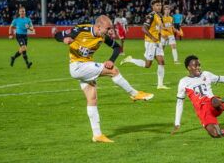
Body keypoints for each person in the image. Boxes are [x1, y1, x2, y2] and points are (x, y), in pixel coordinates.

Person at [54, 15, 154, 143]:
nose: (110, 31)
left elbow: (118, 48)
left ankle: (97, 135)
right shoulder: (80, 30)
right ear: (98, 26)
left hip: (86, 66)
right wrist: (64, 39)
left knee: (92, 98)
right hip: (77, 66)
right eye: (108, 28)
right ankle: (134, 94)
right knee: (114, 71)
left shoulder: (102, 36)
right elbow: (57, 35)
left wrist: (111, 60)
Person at [171, 55, 224, 138]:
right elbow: (179, 103)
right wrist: (177, 123)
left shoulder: (206, 74)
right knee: (216, 134)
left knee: (211, 99)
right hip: (203, 111)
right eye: (195, 65)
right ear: (189, 67)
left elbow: (222, 78)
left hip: (213, 103)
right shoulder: (183, 82)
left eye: (199, 65)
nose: (198, 67)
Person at [120, 0, 169, 90]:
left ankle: (160, 85)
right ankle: (130, 59)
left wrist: (160, 39)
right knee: (148, 65)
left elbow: (158, 29)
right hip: (150, 42)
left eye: (160, 5)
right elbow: (143, 28)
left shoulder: (160, 16)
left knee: (161, 61)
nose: (159, 7)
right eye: (157, 5)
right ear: (153, 6)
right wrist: (152, 37)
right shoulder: (150, 16)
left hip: (157, 42)